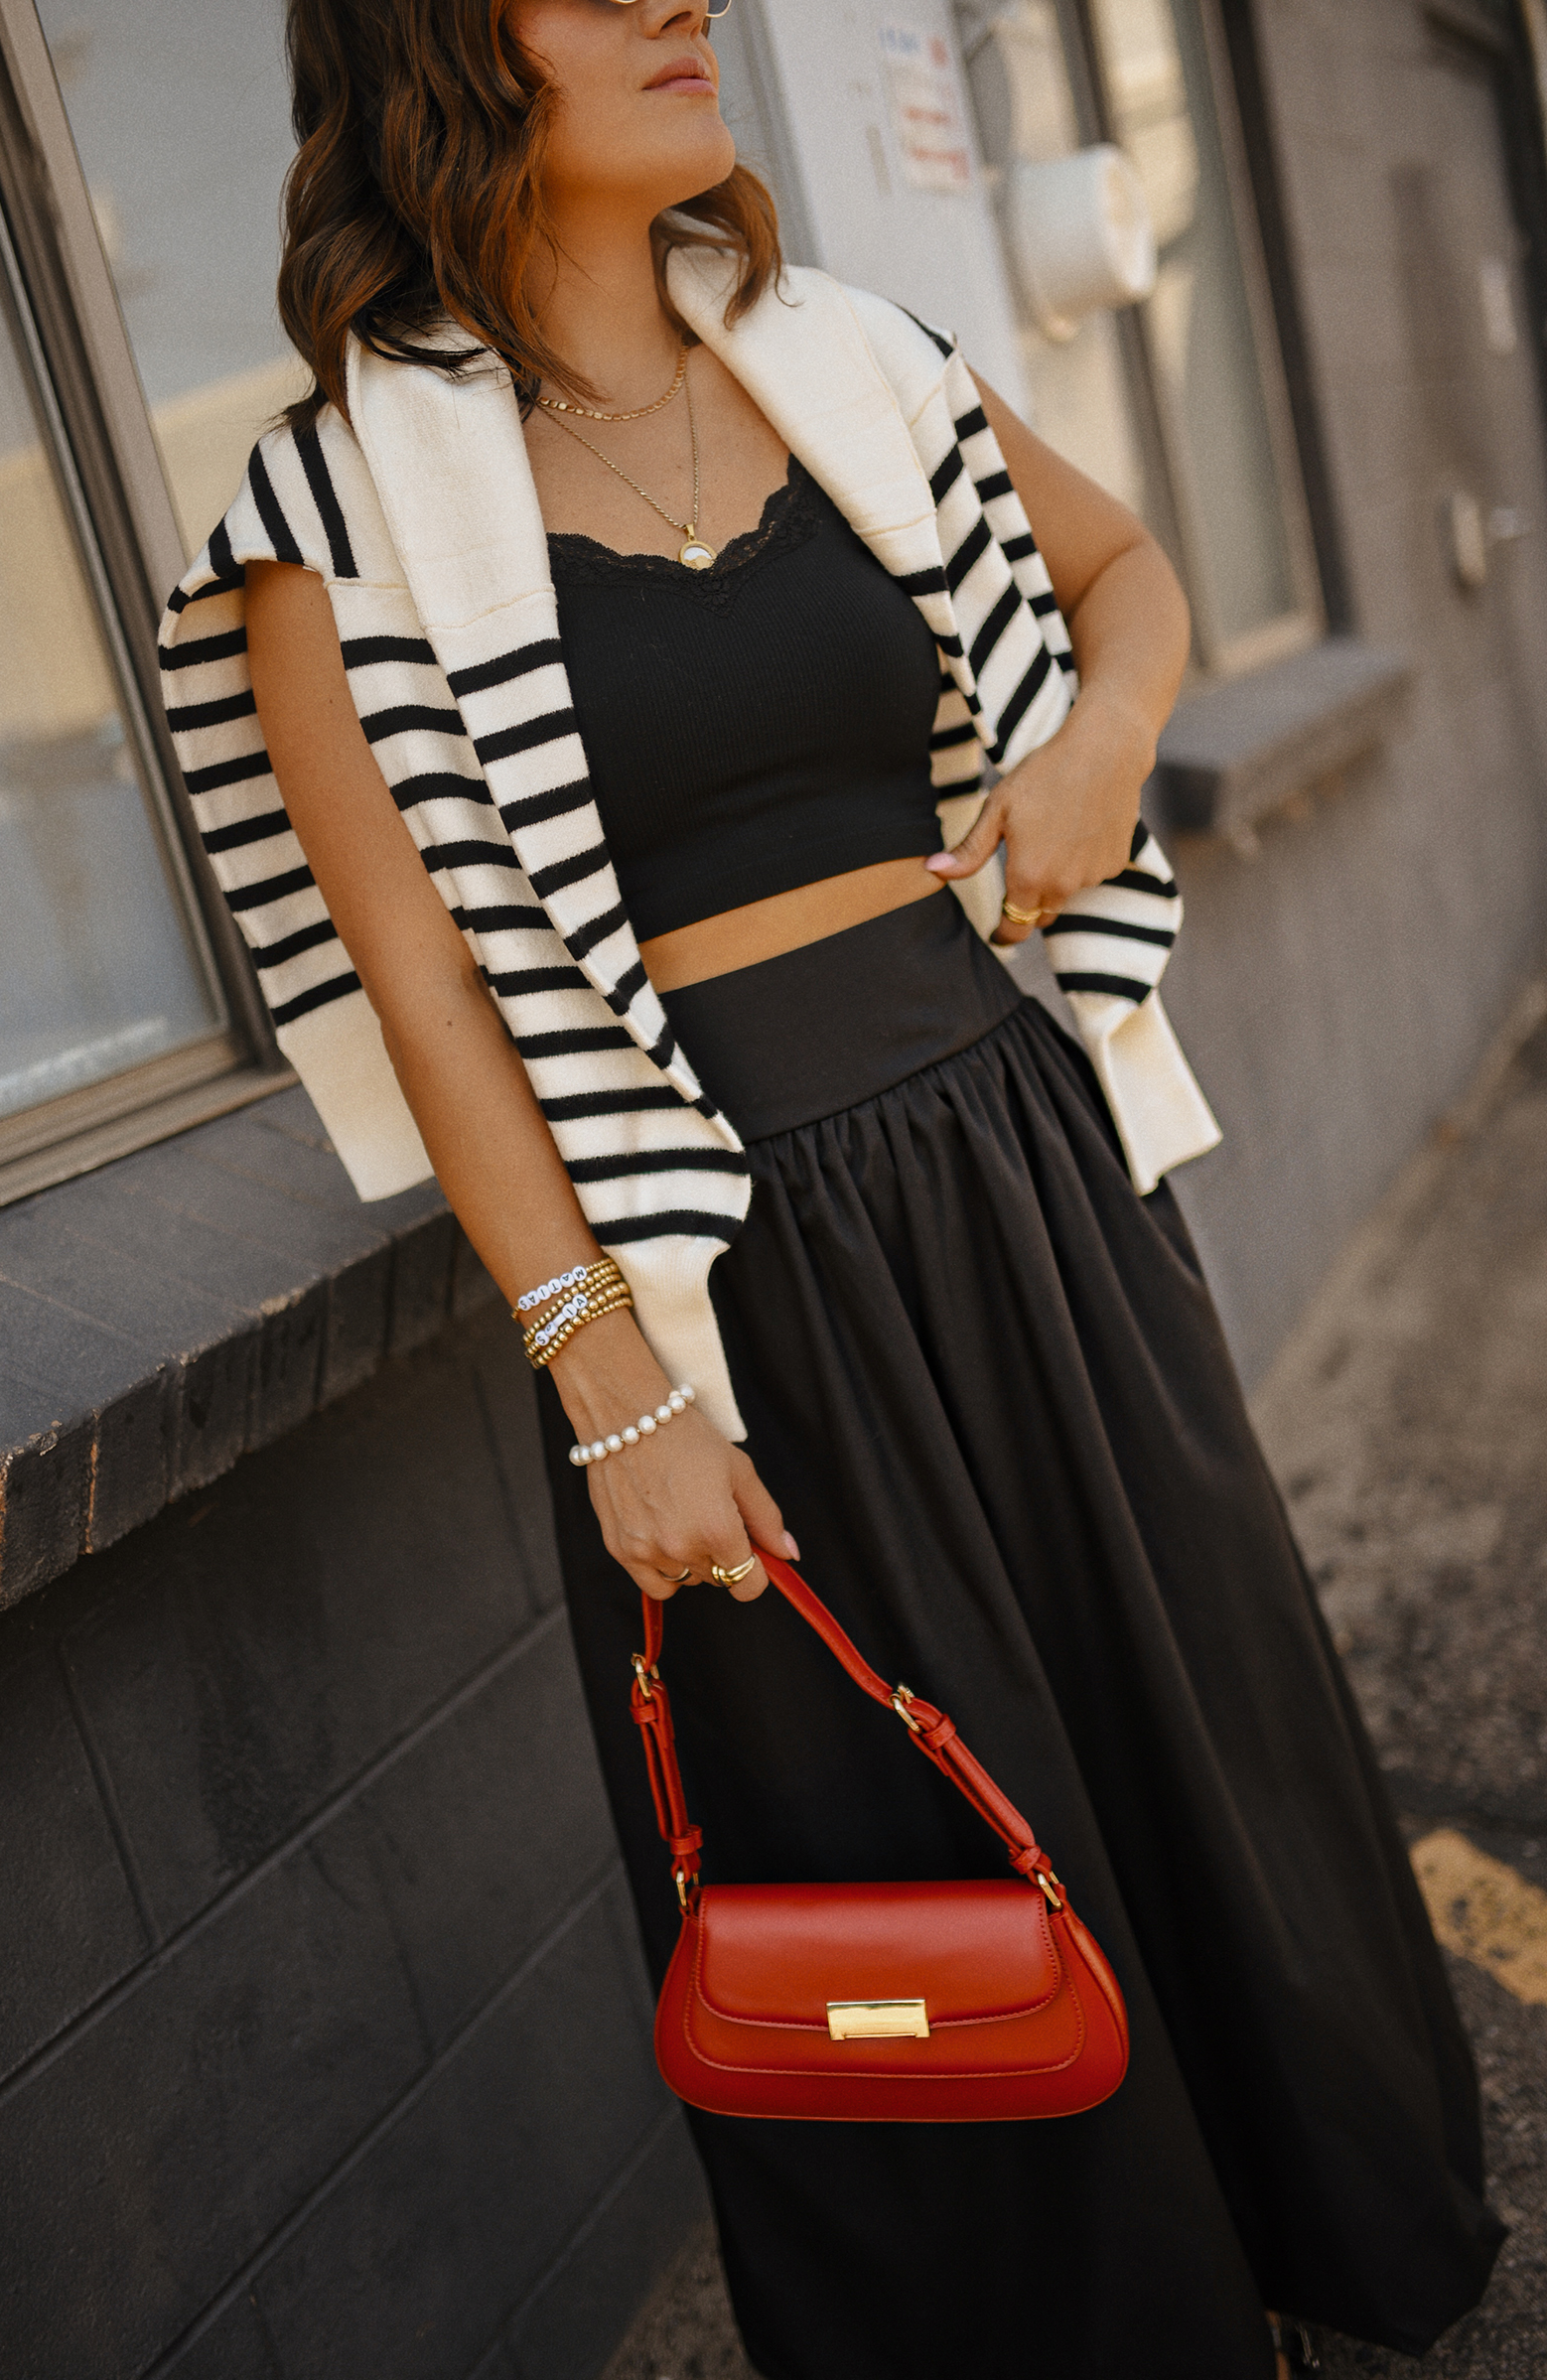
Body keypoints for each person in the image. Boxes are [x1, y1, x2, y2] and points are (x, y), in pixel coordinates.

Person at [159, 3, 1502, 2373]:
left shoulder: (840, 356)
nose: (683, 2)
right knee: (916, 1862)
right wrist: (603, 1388)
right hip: (725, 1287)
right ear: (435, 47)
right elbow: (429, 1004)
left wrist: (1097, 743)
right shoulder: (326, 514)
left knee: (1192, 1750)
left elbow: (1127, 578)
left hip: (1027, 1172)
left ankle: (1285, 2281)